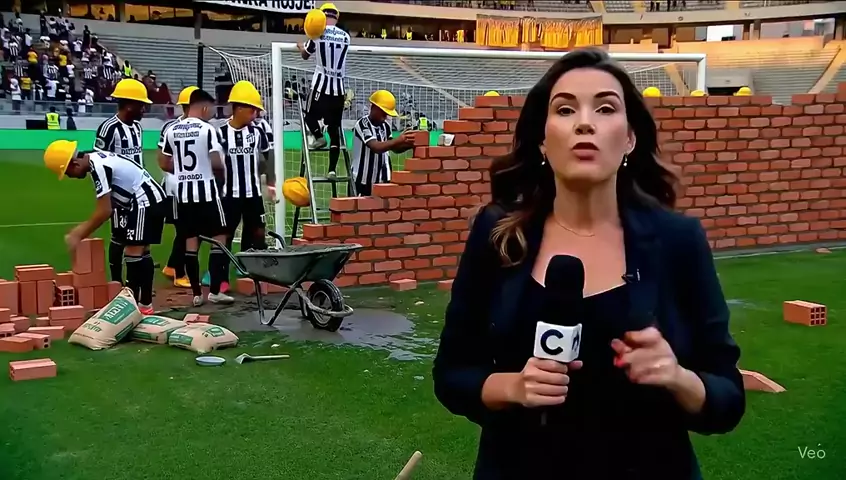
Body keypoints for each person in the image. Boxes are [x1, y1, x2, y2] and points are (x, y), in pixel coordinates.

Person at [432, 48, 745, 480]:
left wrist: (677, 377)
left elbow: (728, 397)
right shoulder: (499, 234)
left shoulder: (678, 241)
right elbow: (452, 374)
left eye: (605, 108)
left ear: (630, 138)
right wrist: (513, 386)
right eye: (565, 109)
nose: (585, 123)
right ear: (543, 140)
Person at [43, 140, 166, 315]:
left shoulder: (98, 166)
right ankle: (144, 305)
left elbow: (104, 210)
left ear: (75, 163)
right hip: (140, 201)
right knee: (141, 251)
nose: (70, 177)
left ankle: (132, 308)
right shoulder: (97, 161)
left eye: (68, 172)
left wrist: (79, 234)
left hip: (145, 201)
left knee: (134, 252)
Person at [159, 89, 232, 307]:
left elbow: (163, 162)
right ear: (204, 107)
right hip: (207, 193)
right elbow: (216, 162)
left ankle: (196, 294)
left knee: (190, 242)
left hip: (183, 195)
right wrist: (220, 176)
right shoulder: (207, 130)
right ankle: (216, 291)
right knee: (220, 237)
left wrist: (184, 172)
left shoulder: (172, 130)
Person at [94, 78, 151, 286]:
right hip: (119, 196)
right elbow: (99, 163)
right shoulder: (108, 128)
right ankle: (117, 283)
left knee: (142, 238)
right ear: (129, 105)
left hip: (140, 195)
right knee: (119, 238)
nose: (144, 109)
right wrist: (108, 195)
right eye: (141, 105)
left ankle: (139, 281)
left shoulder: (137, 128)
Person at [297, 2, 350, 179]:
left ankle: (319, 137)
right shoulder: (346, 36)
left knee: (309, 116)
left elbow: (305, 55)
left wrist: (300, 46)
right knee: (334, 130)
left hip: (320, 86)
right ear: (337, 17)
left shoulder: (318, 33)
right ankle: (332, 170)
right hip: (339, 89)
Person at [157, 85, 197, 289]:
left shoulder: (200, 127)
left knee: (190, 228)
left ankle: (172, 266)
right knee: (185, 229)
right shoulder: (173, 128)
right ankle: (179, 273)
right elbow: (163, 160)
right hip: (177, 188)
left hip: (189, 186)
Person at [351, 90, 416, 196]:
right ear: (374, 108)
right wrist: (399, 139)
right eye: (383, 113)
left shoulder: (385, 126)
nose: (385, 117)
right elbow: (375, 147)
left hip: (382, 179)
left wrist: (408, 143)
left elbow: (393, 147)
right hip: (362, 181)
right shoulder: (362, 124)